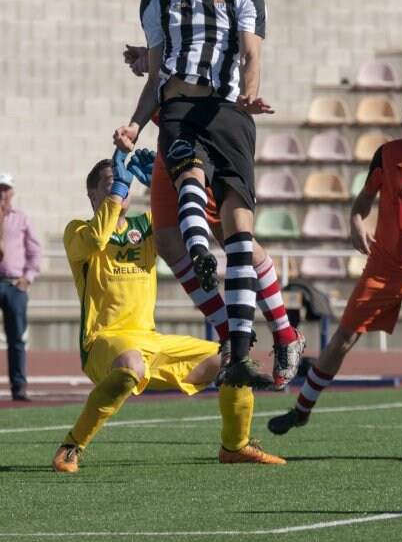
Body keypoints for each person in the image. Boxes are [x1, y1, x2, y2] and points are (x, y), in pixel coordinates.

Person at [121, 0, 305, 390]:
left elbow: (233, 49)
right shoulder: (157, 1)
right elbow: (169, 60)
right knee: (170, 240)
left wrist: (247, 88)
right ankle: (234, 341)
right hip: (174, 127)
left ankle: (279, 333)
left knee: (230, 234)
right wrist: (147, 61)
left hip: (202, 123)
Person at [52, 150, 286, 473]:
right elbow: (96, 240)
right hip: (103, 344)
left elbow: (182, 227)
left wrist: (168, 187)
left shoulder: (145, 226)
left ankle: (235, 445)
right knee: (131, 362)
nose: (121, 187)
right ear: (92, 195)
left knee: (233, 356)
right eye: (110, 183)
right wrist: (118, 190)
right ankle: (71, 445)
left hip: (151, 342)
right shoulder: (76, 232)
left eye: (123, 182)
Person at [268, 91, 402, 442]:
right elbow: (365, 197)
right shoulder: (388, 154)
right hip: (384, 267)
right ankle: (300, 411)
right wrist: (355, 221)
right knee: (341, 341)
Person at [0, 172, 42, 401]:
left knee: (16, 337)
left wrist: (27, 278)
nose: (2, 194)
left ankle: (18, 385)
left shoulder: (21, 218)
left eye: (5, 189)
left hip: (14, 285)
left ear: (12, 193)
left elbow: (35, 250)